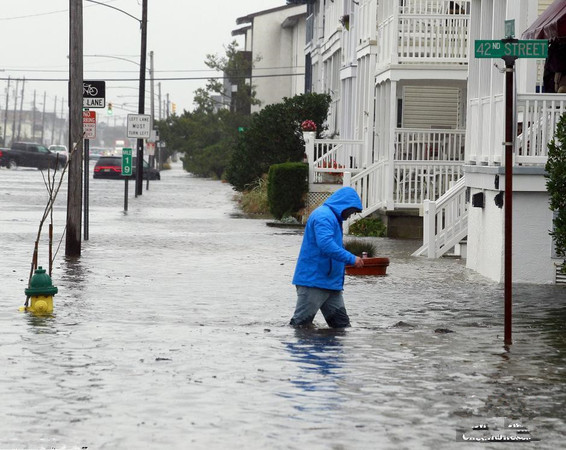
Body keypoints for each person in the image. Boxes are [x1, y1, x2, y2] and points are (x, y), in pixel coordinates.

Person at [290, 186, 364, 328]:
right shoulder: (323, 216)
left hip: (330, 284)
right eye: (352, 211)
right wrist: (352, 259)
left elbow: (333, 247)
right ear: (345, 205)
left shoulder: (333, 218)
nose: (351, 215)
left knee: (341, 327)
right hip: (313, 282)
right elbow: (326, 245)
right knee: (300, 325)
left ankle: (333, 351)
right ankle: (300, 349)